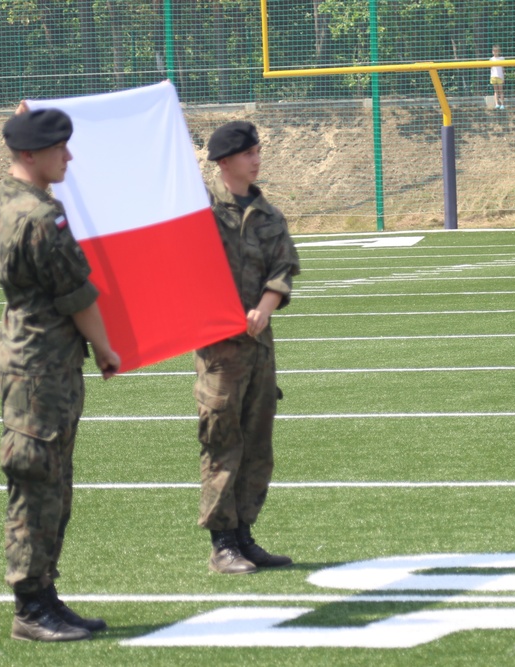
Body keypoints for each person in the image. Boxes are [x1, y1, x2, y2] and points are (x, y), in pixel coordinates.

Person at [0, 108, 120, 642]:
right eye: (58, 148)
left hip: (34, 356)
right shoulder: (43, 217)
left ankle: (44, 594)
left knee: (49, 478)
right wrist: (106, 347)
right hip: (41, 363)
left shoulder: (6, 198)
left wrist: (27, 117)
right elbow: (77, 295)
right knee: (39, 480)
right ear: (29, 155)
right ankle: (31, 605)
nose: (68, 156)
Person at [195, 121, 301, 575]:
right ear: (224, 162)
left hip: (259, 346)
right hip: (219, 350)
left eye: (258, 151)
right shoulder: (198, 209)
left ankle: (244, 536)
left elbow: (283, 268)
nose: (257, 159)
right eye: (248, 153)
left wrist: (264, 308)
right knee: (222, 442)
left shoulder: (268, 215)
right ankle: (222, 542)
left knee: (258, 443)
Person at [490, 44, 505, 110]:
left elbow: (503, 69)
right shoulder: (491, 59)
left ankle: (502, 104)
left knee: (501, 91)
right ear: (492, 51)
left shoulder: (502, 59)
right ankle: (497, 104)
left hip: (500, 76)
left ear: (499, 51)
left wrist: (503, 77)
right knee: (496, 91)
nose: (495, 52)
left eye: (497, 51)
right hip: (493, 76)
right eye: (494, 51)